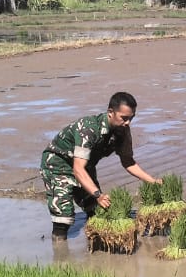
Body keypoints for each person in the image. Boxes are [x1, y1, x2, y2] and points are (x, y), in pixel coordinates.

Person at [40, 91, 158, 240]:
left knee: (96, 211)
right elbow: (77, 169)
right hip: (57, 165)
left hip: (85, 166)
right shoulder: (88, 129)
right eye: (124, 118)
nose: (128, 123)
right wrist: (98, 194)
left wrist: (152, 181)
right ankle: (60, 250)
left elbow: (128, 162)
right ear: (110, 112)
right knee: (63, 216)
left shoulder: (123, 131)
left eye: (131, 118)